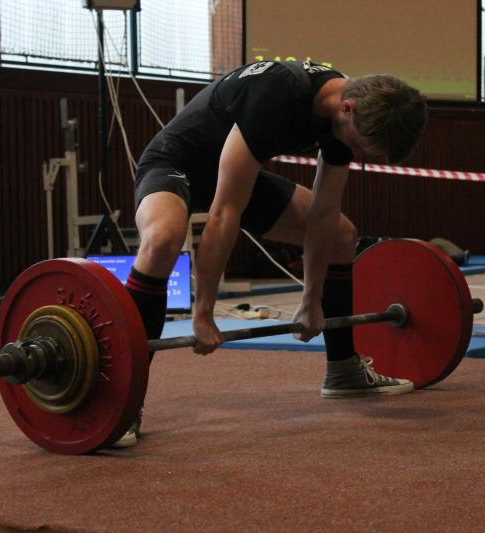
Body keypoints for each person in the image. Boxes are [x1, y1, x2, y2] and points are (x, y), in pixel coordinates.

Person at [114, 60, 427, 447]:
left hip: (233, 170)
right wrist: (203, 313)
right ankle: (120, 400)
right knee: (164, 239)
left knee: (342, 235)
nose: (357, 154)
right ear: (348, 108)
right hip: (175, 163)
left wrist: (311, 300)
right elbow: (224, 213)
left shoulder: (342, 118)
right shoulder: (277, 94)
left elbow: (323, 215)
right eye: (360, 146)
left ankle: (343, 369)